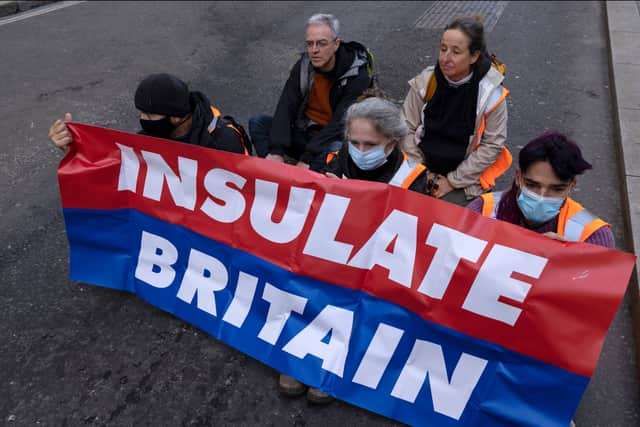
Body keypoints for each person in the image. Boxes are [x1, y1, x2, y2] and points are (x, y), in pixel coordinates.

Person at [402, 16, 511, 205]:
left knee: (447, 219)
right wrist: (422, 173)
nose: (445, 58)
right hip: (421, 169)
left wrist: (452, 181)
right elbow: (405, 128)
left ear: (474, 56)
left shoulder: (491, 93)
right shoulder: (425, 82)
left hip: (465, 180)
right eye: (443, 49)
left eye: (456, 52)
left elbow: (492, 145)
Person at [249, 13, 373, 171]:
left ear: (336, 44)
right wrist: (276, 150)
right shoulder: (303, 67)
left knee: (339, 150)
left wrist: (308, 157)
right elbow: (286, 106)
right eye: (310, 44)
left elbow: (340, 124)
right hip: (304, 131)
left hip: (329, 139)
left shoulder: (356, 76)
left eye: (321, 44)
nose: (314, 50)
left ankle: (307, 180)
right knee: (258, 122)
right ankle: (274, 172)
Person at [467, 131, 614, 247]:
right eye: (532, 185)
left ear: (571, 187)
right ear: (518, 177)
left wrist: (566, 262)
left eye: (556, 189)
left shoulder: (593, 235)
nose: (541, 197)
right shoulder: (482, 210)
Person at [49, 73, 251, 155]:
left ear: (177, 116)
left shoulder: (225, 140)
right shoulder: (148, 141)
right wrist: (73, 147)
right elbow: (111, 170)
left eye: (150, 116)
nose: (143, 121)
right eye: (142, 113)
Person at [323, 94, 428, 194]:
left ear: (392, 143)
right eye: (354, 143)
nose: (361, 151)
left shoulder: (411, 176)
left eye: (370, 144)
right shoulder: (336, 161)